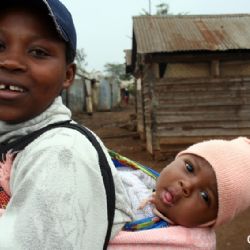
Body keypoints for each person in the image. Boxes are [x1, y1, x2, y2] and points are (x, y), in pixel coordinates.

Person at [0, 0, 133, 249]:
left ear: (68, 75)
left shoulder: (60, 155)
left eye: (38, 52)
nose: (10, 62)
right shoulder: (15, 141)